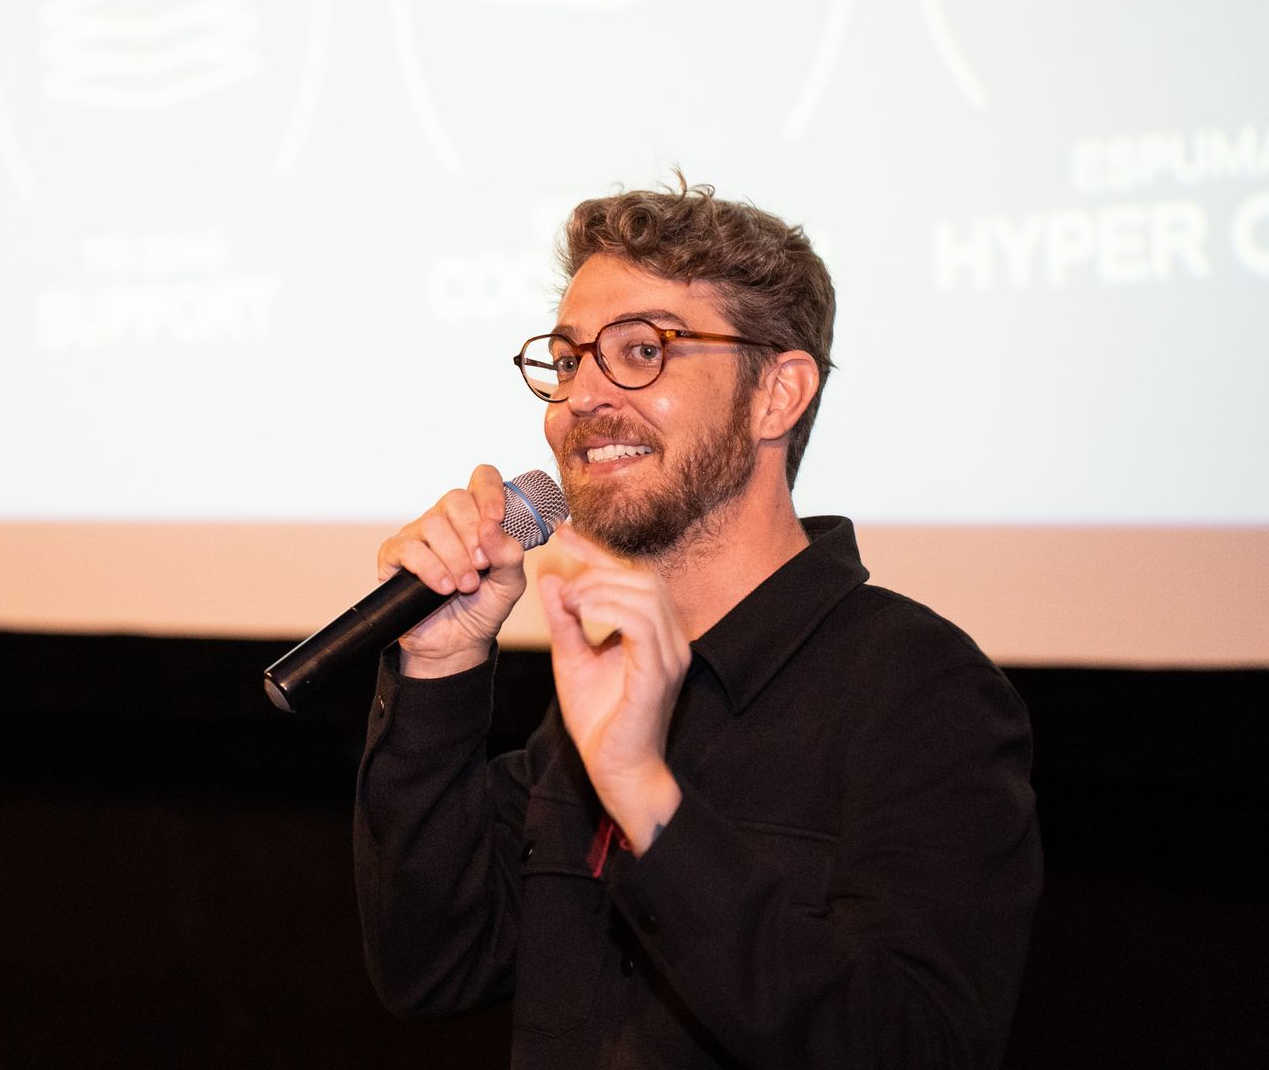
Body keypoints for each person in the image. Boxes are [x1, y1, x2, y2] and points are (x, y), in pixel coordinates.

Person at [354, 179, 1041, 1068]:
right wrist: (440, 665)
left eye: (641, 350)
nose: (582, 401)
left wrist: (647, 797)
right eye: (567, 362)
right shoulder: (598, 685)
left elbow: (914, 1044)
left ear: (778, 395)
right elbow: (433, 966)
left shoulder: (923, 693)